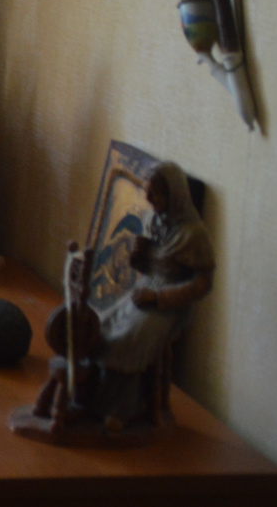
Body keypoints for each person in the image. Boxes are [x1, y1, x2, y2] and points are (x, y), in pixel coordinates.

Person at [92, 160, 214, 426]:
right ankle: (94, 398)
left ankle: (122, 408)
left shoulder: (194, 234)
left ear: (174, 195)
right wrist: (138, 257)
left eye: (155, 195)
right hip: (144, 291)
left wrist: (160, 298)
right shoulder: (155, 220)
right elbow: (149, 267)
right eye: (147, 192)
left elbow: (202, 285)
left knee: (126, 339)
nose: (148, 199)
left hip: (171, 304)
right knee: (101, 324)